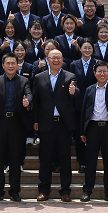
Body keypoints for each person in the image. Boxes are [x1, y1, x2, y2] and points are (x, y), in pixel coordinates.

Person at [0, 53, 33, 201]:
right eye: (8, 63)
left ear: (18, 65)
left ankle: (14, 191)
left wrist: (28, 102)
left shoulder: (24, 81)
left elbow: (29, 94)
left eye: (13, 63)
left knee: (15, 158)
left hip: (16, 123)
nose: (11, 66)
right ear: (3, 65)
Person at [32, 49, 78, 202]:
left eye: (59, 57)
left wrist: (74, 91)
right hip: (46, 123)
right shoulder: (39, 77)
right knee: (45, 159)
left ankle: (65, 191)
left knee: (65, 159)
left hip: (64, 124)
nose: (56, 60)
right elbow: (36, 102)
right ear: (47, 59)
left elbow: (77, 93)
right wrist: (35, 121)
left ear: (63, 59)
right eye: (53, 57)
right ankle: (43, 190)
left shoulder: (70, 76)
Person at [79, 60, 108, 203]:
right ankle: (87, 191)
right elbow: (84, 111)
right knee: (90, 162)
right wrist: (83, 131)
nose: (102, 74)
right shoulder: (90, 89)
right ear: (95, 73)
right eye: (100, 71)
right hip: (92, 128)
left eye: (105, 71)